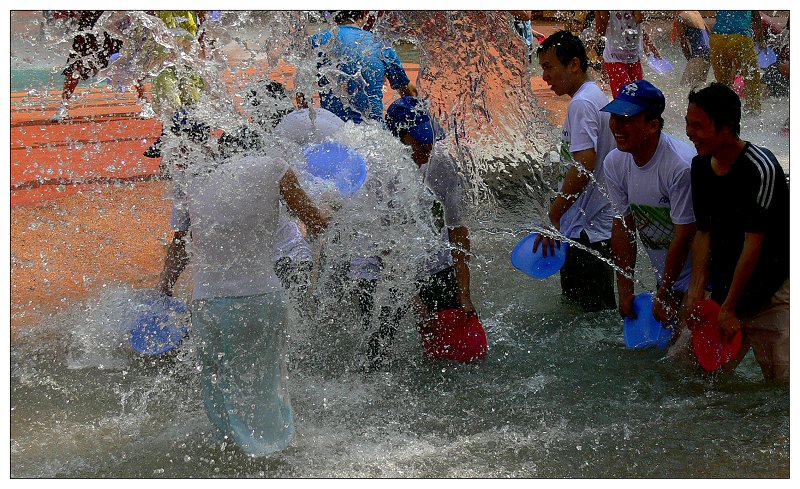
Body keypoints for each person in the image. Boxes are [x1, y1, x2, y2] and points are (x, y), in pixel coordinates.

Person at [157, 81, 329, 455]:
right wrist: (331, 207)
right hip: (258, 297)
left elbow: (181, 245)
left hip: (207, 302)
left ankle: (228, 450)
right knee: (266, 381)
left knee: (217, 383)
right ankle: (272, 454)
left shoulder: (194, 181)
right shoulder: (274, 168)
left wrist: (163, 288)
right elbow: (315, 222)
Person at [684, 82, 789, 382]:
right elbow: (703, 234)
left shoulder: (761, 168)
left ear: (727, 127)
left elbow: (752, 244)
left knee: (784, 386)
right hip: (723, 293)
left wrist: (729, 308)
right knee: (688, 376)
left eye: (698, 126)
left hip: (771, 293)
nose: (690, 133)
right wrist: (695, 294)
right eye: (688, 125)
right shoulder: (700, 166)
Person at [384, 96, 486, 361]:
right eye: (420, 140)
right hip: (387, 274)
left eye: (430, 139)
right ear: (401, 138)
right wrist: (417, 305)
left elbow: (457, 231)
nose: (427, 147)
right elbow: (384, 248)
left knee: (459, 355)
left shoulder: (442, 165)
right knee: (381, 357)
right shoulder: (382, 175)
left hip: (438, 268)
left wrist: (464, 293)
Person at [600, 80, 697, 330]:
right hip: (667, 280)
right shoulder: (615, 162)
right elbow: (623, 226)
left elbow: (685, 236)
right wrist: (625, 289)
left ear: (653, 125)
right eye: (614, 116)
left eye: (626, 118)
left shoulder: (680, 165)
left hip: (701, 282)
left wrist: (665, 292)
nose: (616, 126)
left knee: (683, 361)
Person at [534, 30, 617, 312]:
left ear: (574, 65)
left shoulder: (581, 103)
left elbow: (584, 164)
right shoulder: (594, 96)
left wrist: (554, 216)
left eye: (549, 67)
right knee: (596, 313)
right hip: (595, 226)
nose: (545, 77)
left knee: (586, 316)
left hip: (586, 230)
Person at [310, 10, 417, 124]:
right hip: (372, 132)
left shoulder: (317, 41)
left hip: (331, 130)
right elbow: (410, 93)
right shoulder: (380, 45)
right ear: (364, 13)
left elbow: (301, 89)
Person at [50, 10, 122, 122]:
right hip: (88, 26)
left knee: (128, 62)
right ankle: (63, 106)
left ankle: (145, 101)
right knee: (75, 67)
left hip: (113, 25)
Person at [709, 10, 764, 113]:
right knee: (752, 76)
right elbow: (756, 15)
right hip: (741, 37)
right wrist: (760, 39)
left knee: (723, 83)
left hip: (717, 38)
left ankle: (723, 111)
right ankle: (752, 109)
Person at [595, 11, 645, 97]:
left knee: (638, 97)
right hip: (614, 57)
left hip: (633, 55)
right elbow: (601, 31)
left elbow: (639, 18)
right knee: (623, 97)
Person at [671, 11, 711, 86]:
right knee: (699, 86)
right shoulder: (696, 13)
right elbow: (708, 33)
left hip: (699, 52)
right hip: (709, 52)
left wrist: (690, 59)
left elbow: (683, 42)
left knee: (685, 86)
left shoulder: (681, 17)